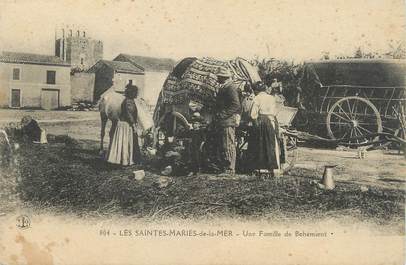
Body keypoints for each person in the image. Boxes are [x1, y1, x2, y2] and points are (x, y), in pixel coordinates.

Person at [248, 81, 282, 176]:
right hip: (272, 121)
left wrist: (254, 120)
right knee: (271, 143)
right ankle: (273, 168)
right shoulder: (271, 98)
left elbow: (253, 114)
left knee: (260, 143)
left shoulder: (257, 98)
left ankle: (261, 168)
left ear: (256, 90)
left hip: (262, 120)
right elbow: (274, 111)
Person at [214, 67, 241, 176]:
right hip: (225, 120)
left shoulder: (230, 88)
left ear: (223, 77)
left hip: (228, 121)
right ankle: (227, 167)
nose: (217, 79)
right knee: (225, 144)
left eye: (218, 77)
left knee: (228, 144)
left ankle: (230, 170)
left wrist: (222, 114)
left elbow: (235, 105)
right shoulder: (226, 87)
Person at [107, 83, 141, 166]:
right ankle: (123, 160)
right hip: (125, 125)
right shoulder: (128, 102)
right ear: (132, 93)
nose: (137, 94)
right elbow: (129, 114)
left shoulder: (129, 101)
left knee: (125, 143)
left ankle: (125, 159)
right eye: (136, 92)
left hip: (125, 125)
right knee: (124, 142)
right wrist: (133, 125)